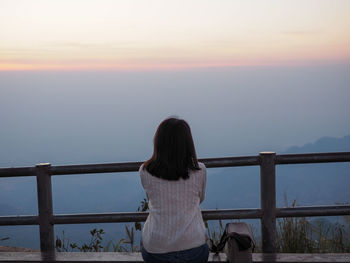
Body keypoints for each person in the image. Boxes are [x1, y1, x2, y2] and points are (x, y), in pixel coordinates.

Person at [139, 117, 209, 263]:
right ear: (188, 143)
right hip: (194, 249)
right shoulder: (200, 170)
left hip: (156, 250)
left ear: (158, 142)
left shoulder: (145, 170)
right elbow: (200, 199)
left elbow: (151, 198)